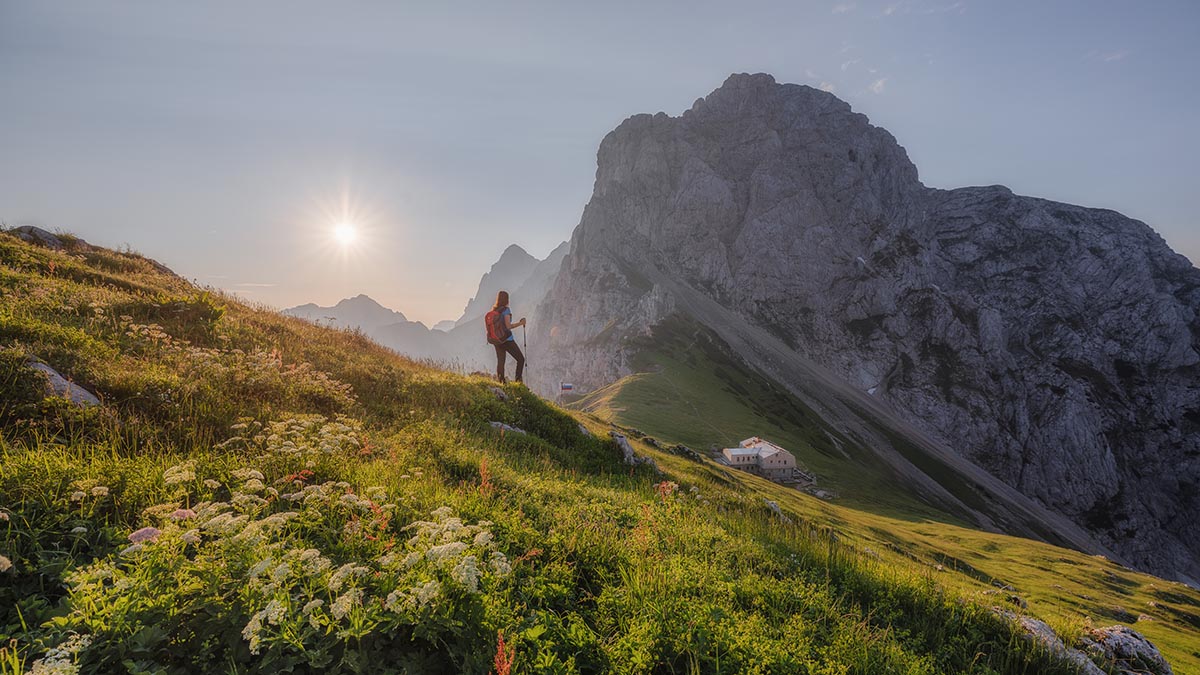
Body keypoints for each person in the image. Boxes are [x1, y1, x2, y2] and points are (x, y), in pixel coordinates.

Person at [486, 290, 525, 383]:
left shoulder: (494, 310)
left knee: (501, 361)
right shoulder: (506, 310)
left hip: (497, 340)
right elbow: (508, 326)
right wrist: (521, 323)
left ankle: (502, 382)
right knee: (520, 359)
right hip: (507, 340)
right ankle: (518, 381)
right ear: (506, 299)